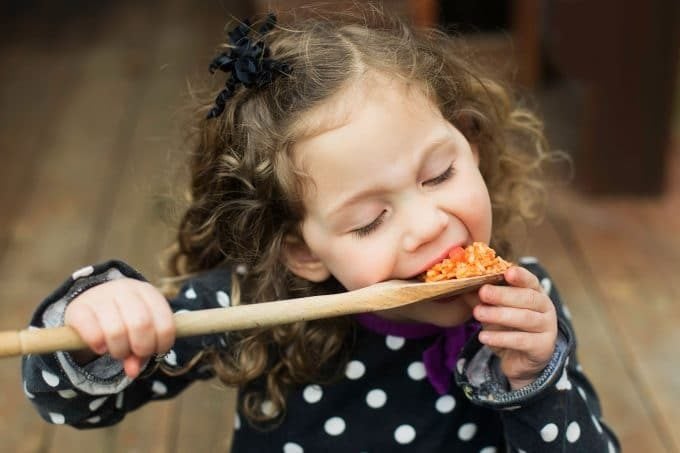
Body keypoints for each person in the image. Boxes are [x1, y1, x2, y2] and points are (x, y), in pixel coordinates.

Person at [22, 9, 620, 452]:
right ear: (303, 250)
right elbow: (68, 403)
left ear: (471, 142)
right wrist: (102, 314)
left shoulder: (523, 314)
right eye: (369, 220)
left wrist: (537, 382)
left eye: (440, 175)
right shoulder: (258, 310)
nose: (426, 226)